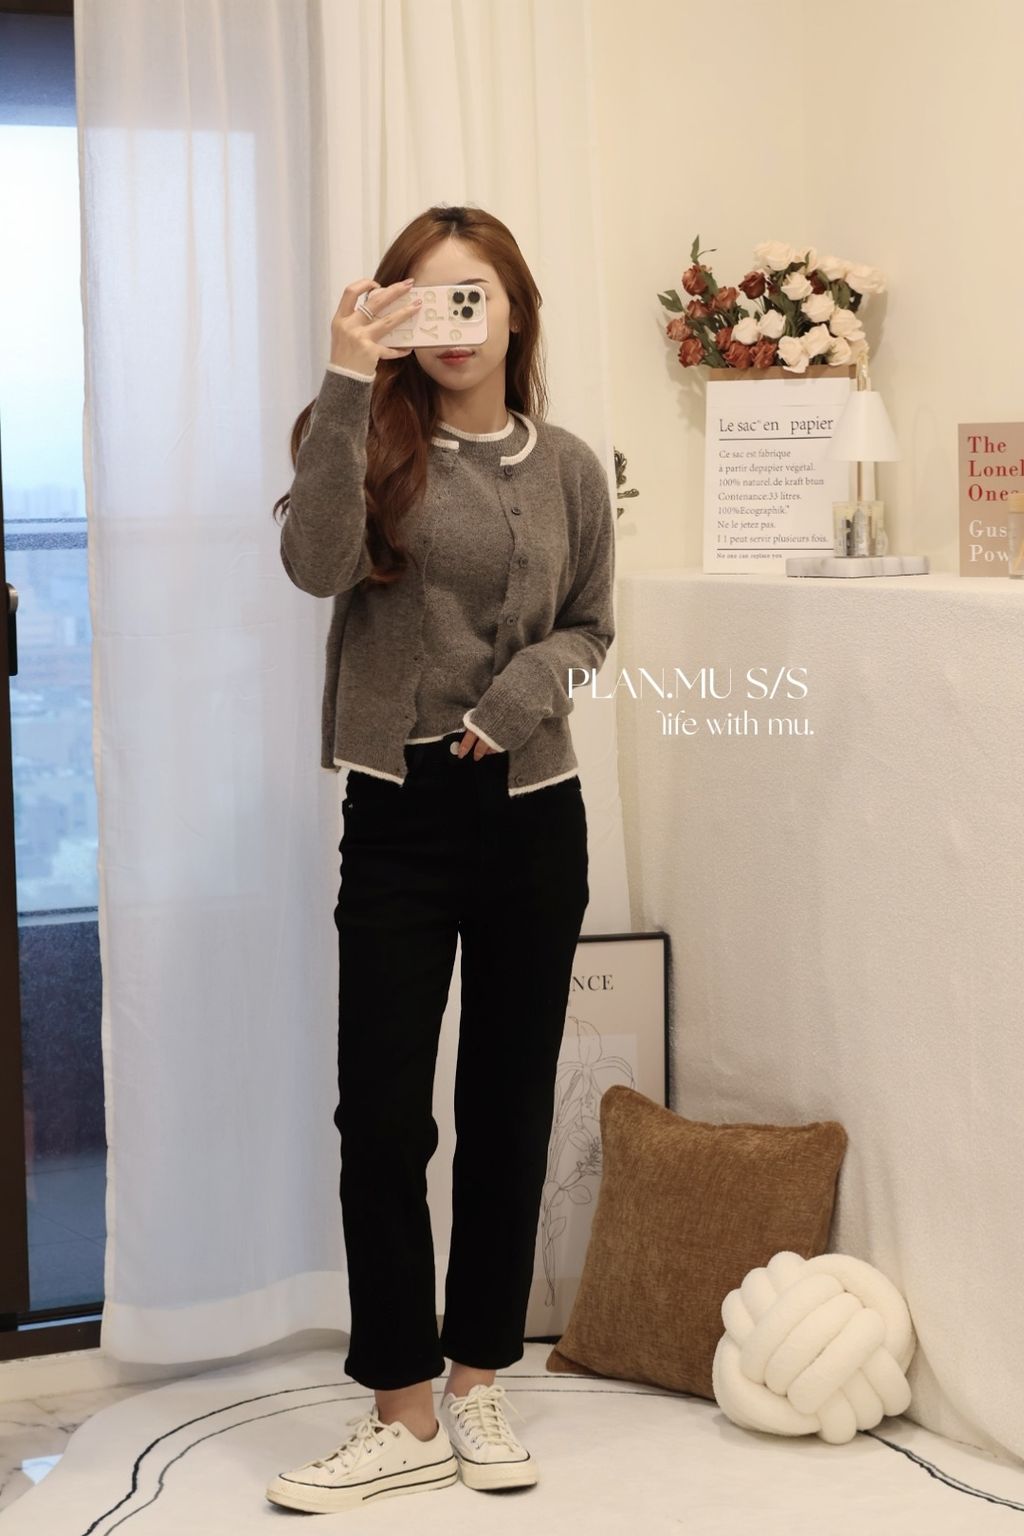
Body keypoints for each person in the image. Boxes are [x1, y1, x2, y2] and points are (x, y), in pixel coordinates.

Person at [265, 203, 615, 1515]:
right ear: (395, 313)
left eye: (475, 297)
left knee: (508, 1110)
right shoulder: (361, 435)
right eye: (427, 299)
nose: (455, 324)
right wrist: (347, 376)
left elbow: (591, 626)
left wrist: (515, 701)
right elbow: (314, 567)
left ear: (516, 312)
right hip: (399, 815)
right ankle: (401, 1410)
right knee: (382, 1119)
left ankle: (478, 1382)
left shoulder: (569, 465)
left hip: (531, 809)